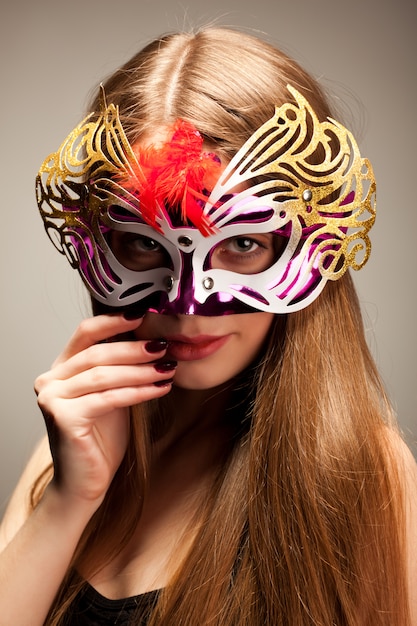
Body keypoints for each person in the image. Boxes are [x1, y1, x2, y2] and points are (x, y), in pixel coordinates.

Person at [0, 26, 416, 626]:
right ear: (97, 242)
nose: (187, 303)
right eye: (144, 245)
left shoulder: (361, 475)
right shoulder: (65, 454)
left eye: (243, 242)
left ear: (318, 239)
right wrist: (69, 502)